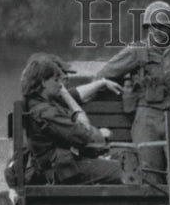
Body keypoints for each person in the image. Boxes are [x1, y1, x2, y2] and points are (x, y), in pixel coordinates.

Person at [95, 0, 170, 178]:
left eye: (165, 26)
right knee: (149, 173)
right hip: (147, 117)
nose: (159, 30)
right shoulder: (137, 51)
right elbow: (105, 73)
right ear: (148, 27)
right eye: (154, 26)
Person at [20, 53, 124, 185]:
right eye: (56, 80)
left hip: (63, 166)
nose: (61, 85)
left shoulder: (41, 105)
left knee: (123, 159)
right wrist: (101, 136)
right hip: (63, 171)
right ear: (43, 82)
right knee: (125, 171)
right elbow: (82, 136)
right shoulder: (46, 112)